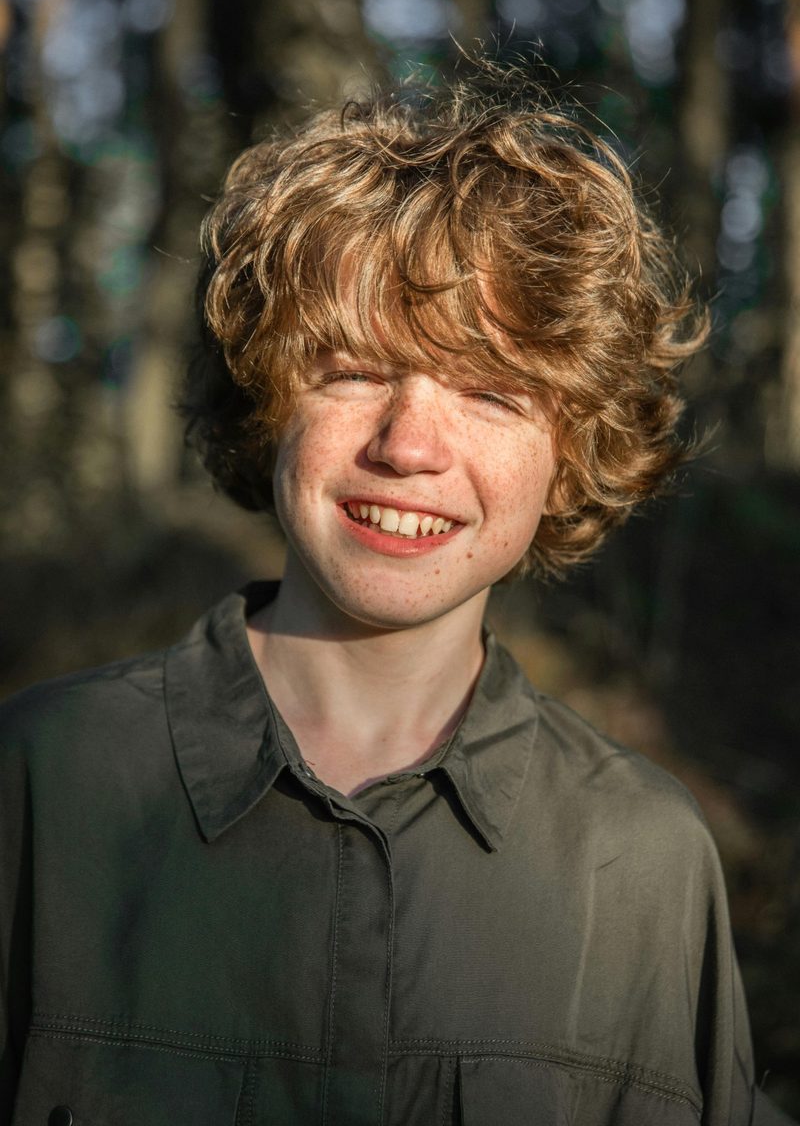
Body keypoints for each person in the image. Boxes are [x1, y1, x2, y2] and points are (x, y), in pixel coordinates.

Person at [0, 65, 793, 1126]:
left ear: (571, 451)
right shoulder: (39, 782)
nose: (408, 445)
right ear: (267, 399)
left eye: (489, 391)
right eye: (351, 369)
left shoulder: (639, 859)